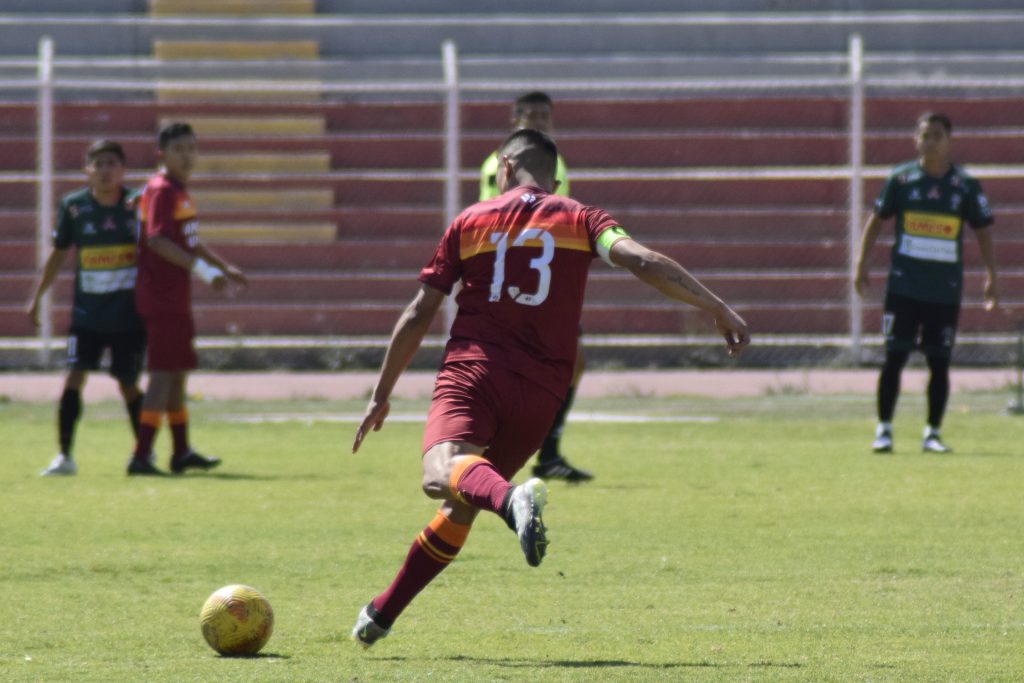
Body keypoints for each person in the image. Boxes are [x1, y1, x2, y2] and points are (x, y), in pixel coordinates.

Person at [349, 128, 749, 648]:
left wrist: (381, 393)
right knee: (465, 499)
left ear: (507, 168)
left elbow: (420, 310)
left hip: (476, 371)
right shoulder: (582, 218)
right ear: (556, 176)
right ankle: (381, 613)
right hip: (542, 395)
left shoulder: (471, 220)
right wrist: (716, 307)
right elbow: (641, 260)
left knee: (439, 473)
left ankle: (515, 500)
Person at [854, 112, 997, 454]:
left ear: (949, 140)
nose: (929, 142)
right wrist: (861, 263)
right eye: (924, 135)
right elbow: (876, 221)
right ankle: (884, 429)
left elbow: (982, 231)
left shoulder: (964, 185)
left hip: (943, 290)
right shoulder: (901, 180)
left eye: (936, 135)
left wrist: (991, 275)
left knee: (939, 362)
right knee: (895, 357)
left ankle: (932, 432)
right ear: (915, 139)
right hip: (903, 287)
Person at [480, 90, 591, 483]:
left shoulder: (554, 160)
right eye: (530, 113)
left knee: (572, 359)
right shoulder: (499, 162)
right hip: (513, 280)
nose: (538, 119)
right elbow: (492, 217)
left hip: (547, 279)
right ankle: (486, 457)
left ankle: (548, 453)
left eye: (544, 114)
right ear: (514, 117)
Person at [127, 122, 247, 476]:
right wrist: (204, 272)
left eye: (192, 148)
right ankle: (141, 454)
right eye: (180, 149)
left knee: (177, 373)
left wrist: (222, 266)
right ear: (161, 153)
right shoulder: (163, 189)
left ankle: (180, 451)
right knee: (163, 374)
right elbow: (158, 240)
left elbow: (188, 241)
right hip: (161, 297)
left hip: (174, 297)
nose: (188, 155)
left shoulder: (178, 190)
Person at [26, 140, 146, 476]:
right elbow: (58, 253)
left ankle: (143, 453)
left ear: (123, 169)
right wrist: (37, 296)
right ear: (87, 170)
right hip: (87, 317)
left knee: (128, 383)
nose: (105, 170)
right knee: (74, 377)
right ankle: (64, 456)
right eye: (98, 164)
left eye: (112, 163)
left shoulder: (138, 204)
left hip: (128, 317)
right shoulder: (74, 207)